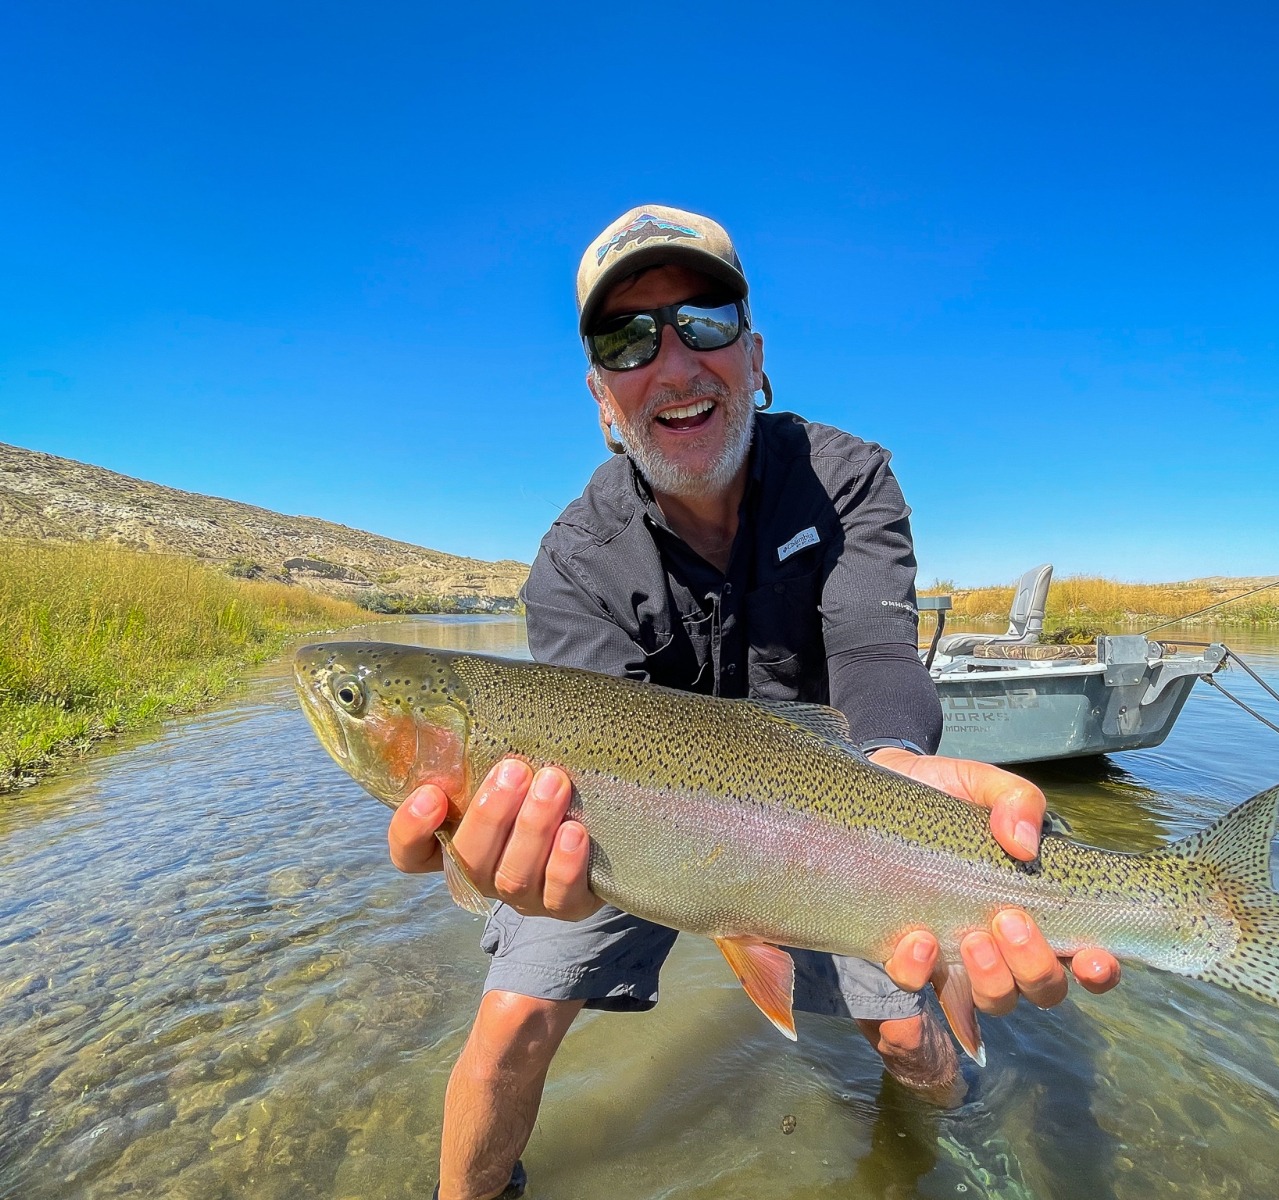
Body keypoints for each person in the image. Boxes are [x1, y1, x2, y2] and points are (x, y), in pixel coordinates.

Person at [387, 205, 1121, 1200]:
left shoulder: (847, 477)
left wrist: (897, 761)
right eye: (628, 338)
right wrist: (504, 868)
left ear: (754, 350)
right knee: (512, 1018)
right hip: (633, 827)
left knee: (908, 1034)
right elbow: (588, 755)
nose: (675, 361)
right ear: (602, 399)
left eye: (705, 319)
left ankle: (967, 1150)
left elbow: (870, 649)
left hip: (838, 804)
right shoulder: (572, 560)